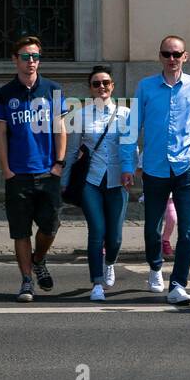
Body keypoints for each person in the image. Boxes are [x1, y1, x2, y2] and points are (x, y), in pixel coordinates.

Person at [120, 35, 190, 307]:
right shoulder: (146, 87)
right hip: (154, 168)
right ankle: (155, 265)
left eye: (176, 54)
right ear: (159, 56)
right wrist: (128, 165)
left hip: (186, 167)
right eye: (166, 54)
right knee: (152, 227)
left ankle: (178, 284)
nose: (171, 59)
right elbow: (131, 128)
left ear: (186, 56)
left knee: (187, 231)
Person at [0, 36, 68, 303]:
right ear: (15, 60)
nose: (31, 62)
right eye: (26, 57)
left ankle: (39, 258)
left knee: (51, 225)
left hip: (48, 172)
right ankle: (26, 281)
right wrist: (7, 170)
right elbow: (0, 134)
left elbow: (60, 128)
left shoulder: (53, 89)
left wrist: (59, 164)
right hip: (18, 174)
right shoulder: (5, 93)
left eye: (35, 56)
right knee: (21, 231)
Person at [63, 65, 131, 301]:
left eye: (105, 83)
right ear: (90, 88)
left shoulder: (125, 113)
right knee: (97, 231)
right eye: (96, 83)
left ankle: (109, 262)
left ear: (112, 86)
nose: (101, 87)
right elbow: (72, 152)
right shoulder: (79, 115)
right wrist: (64, 182)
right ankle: (97, 283)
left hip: (117, 182)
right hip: (91, 182)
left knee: (115, 237)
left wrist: (130, 170)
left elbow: (131, 148)